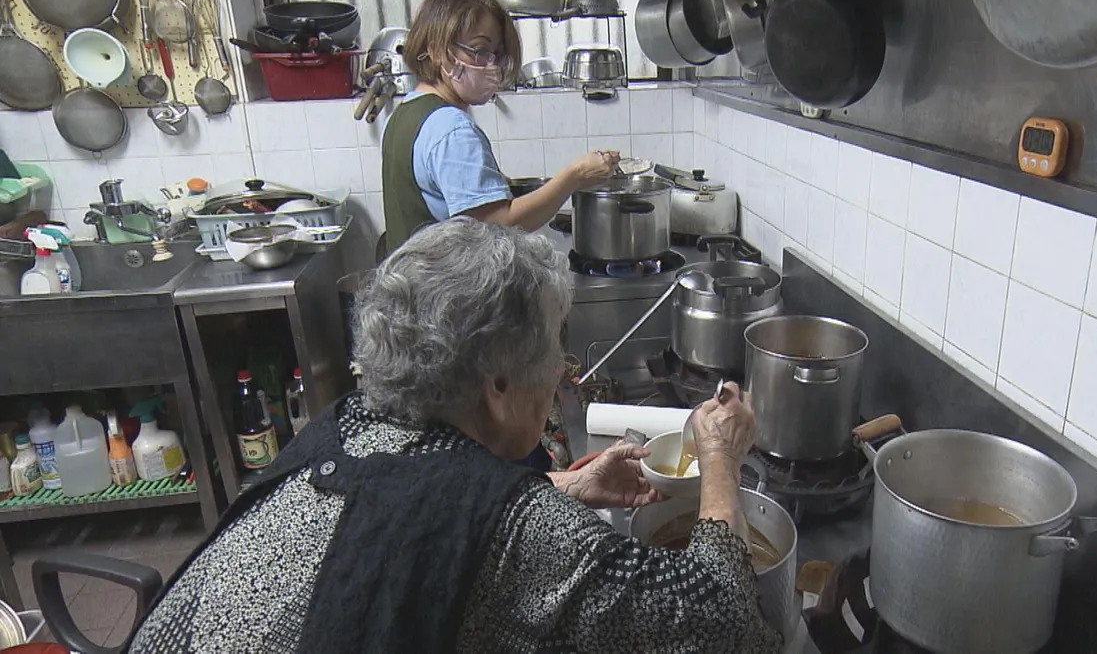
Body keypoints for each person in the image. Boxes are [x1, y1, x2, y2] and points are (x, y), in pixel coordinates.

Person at [128, 219, 781, 653]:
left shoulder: (350, 422)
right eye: (552, 350)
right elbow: (725, 624)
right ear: (497, 383)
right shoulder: (520, 528)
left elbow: (401, 517)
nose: (561, 370)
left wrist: (564, 485)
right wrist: (720, 454)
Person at [381, 0, 622, 252]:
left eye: (496, 54)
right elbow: (498, 227)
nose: (491, 65)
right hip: (448, 290)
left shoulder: (405, 114)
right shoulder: (452, 129)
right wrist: (574, 177)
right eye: (480, 50)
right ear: (438, 52)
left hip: (410, 285)